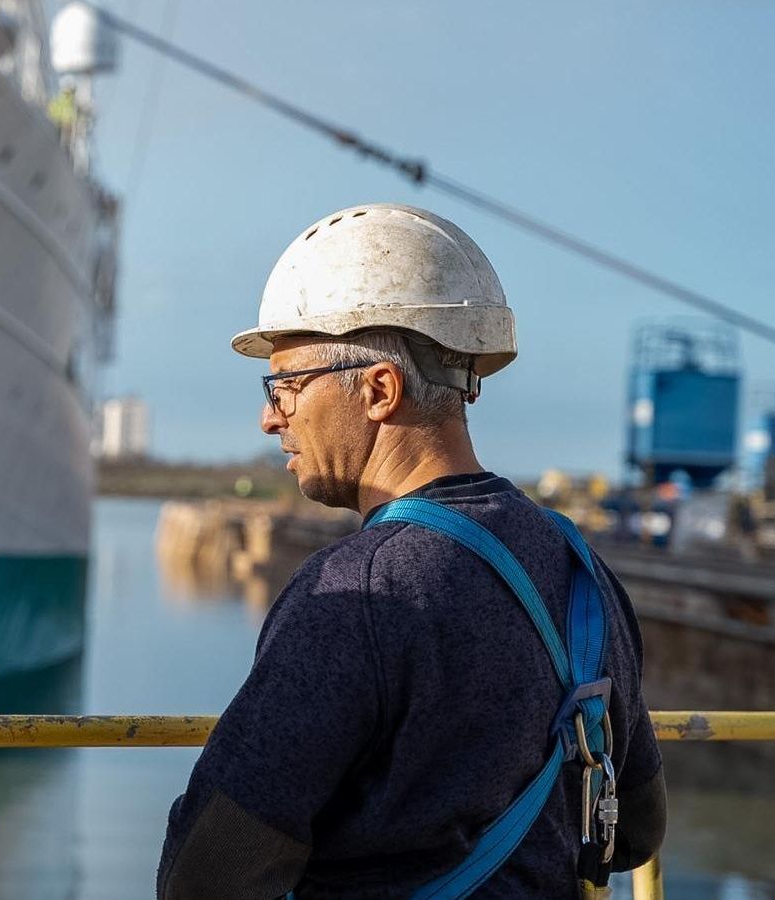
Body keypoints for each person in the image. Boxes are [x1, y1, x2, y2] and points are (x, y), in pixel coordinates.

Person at [157, 203, 665, 899]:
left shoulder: (357, 594)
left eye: (286, 386)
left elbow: (206, 876)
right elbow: (635, 832)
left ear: (379, 390)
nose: (270, 417)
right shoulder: (581, 568)